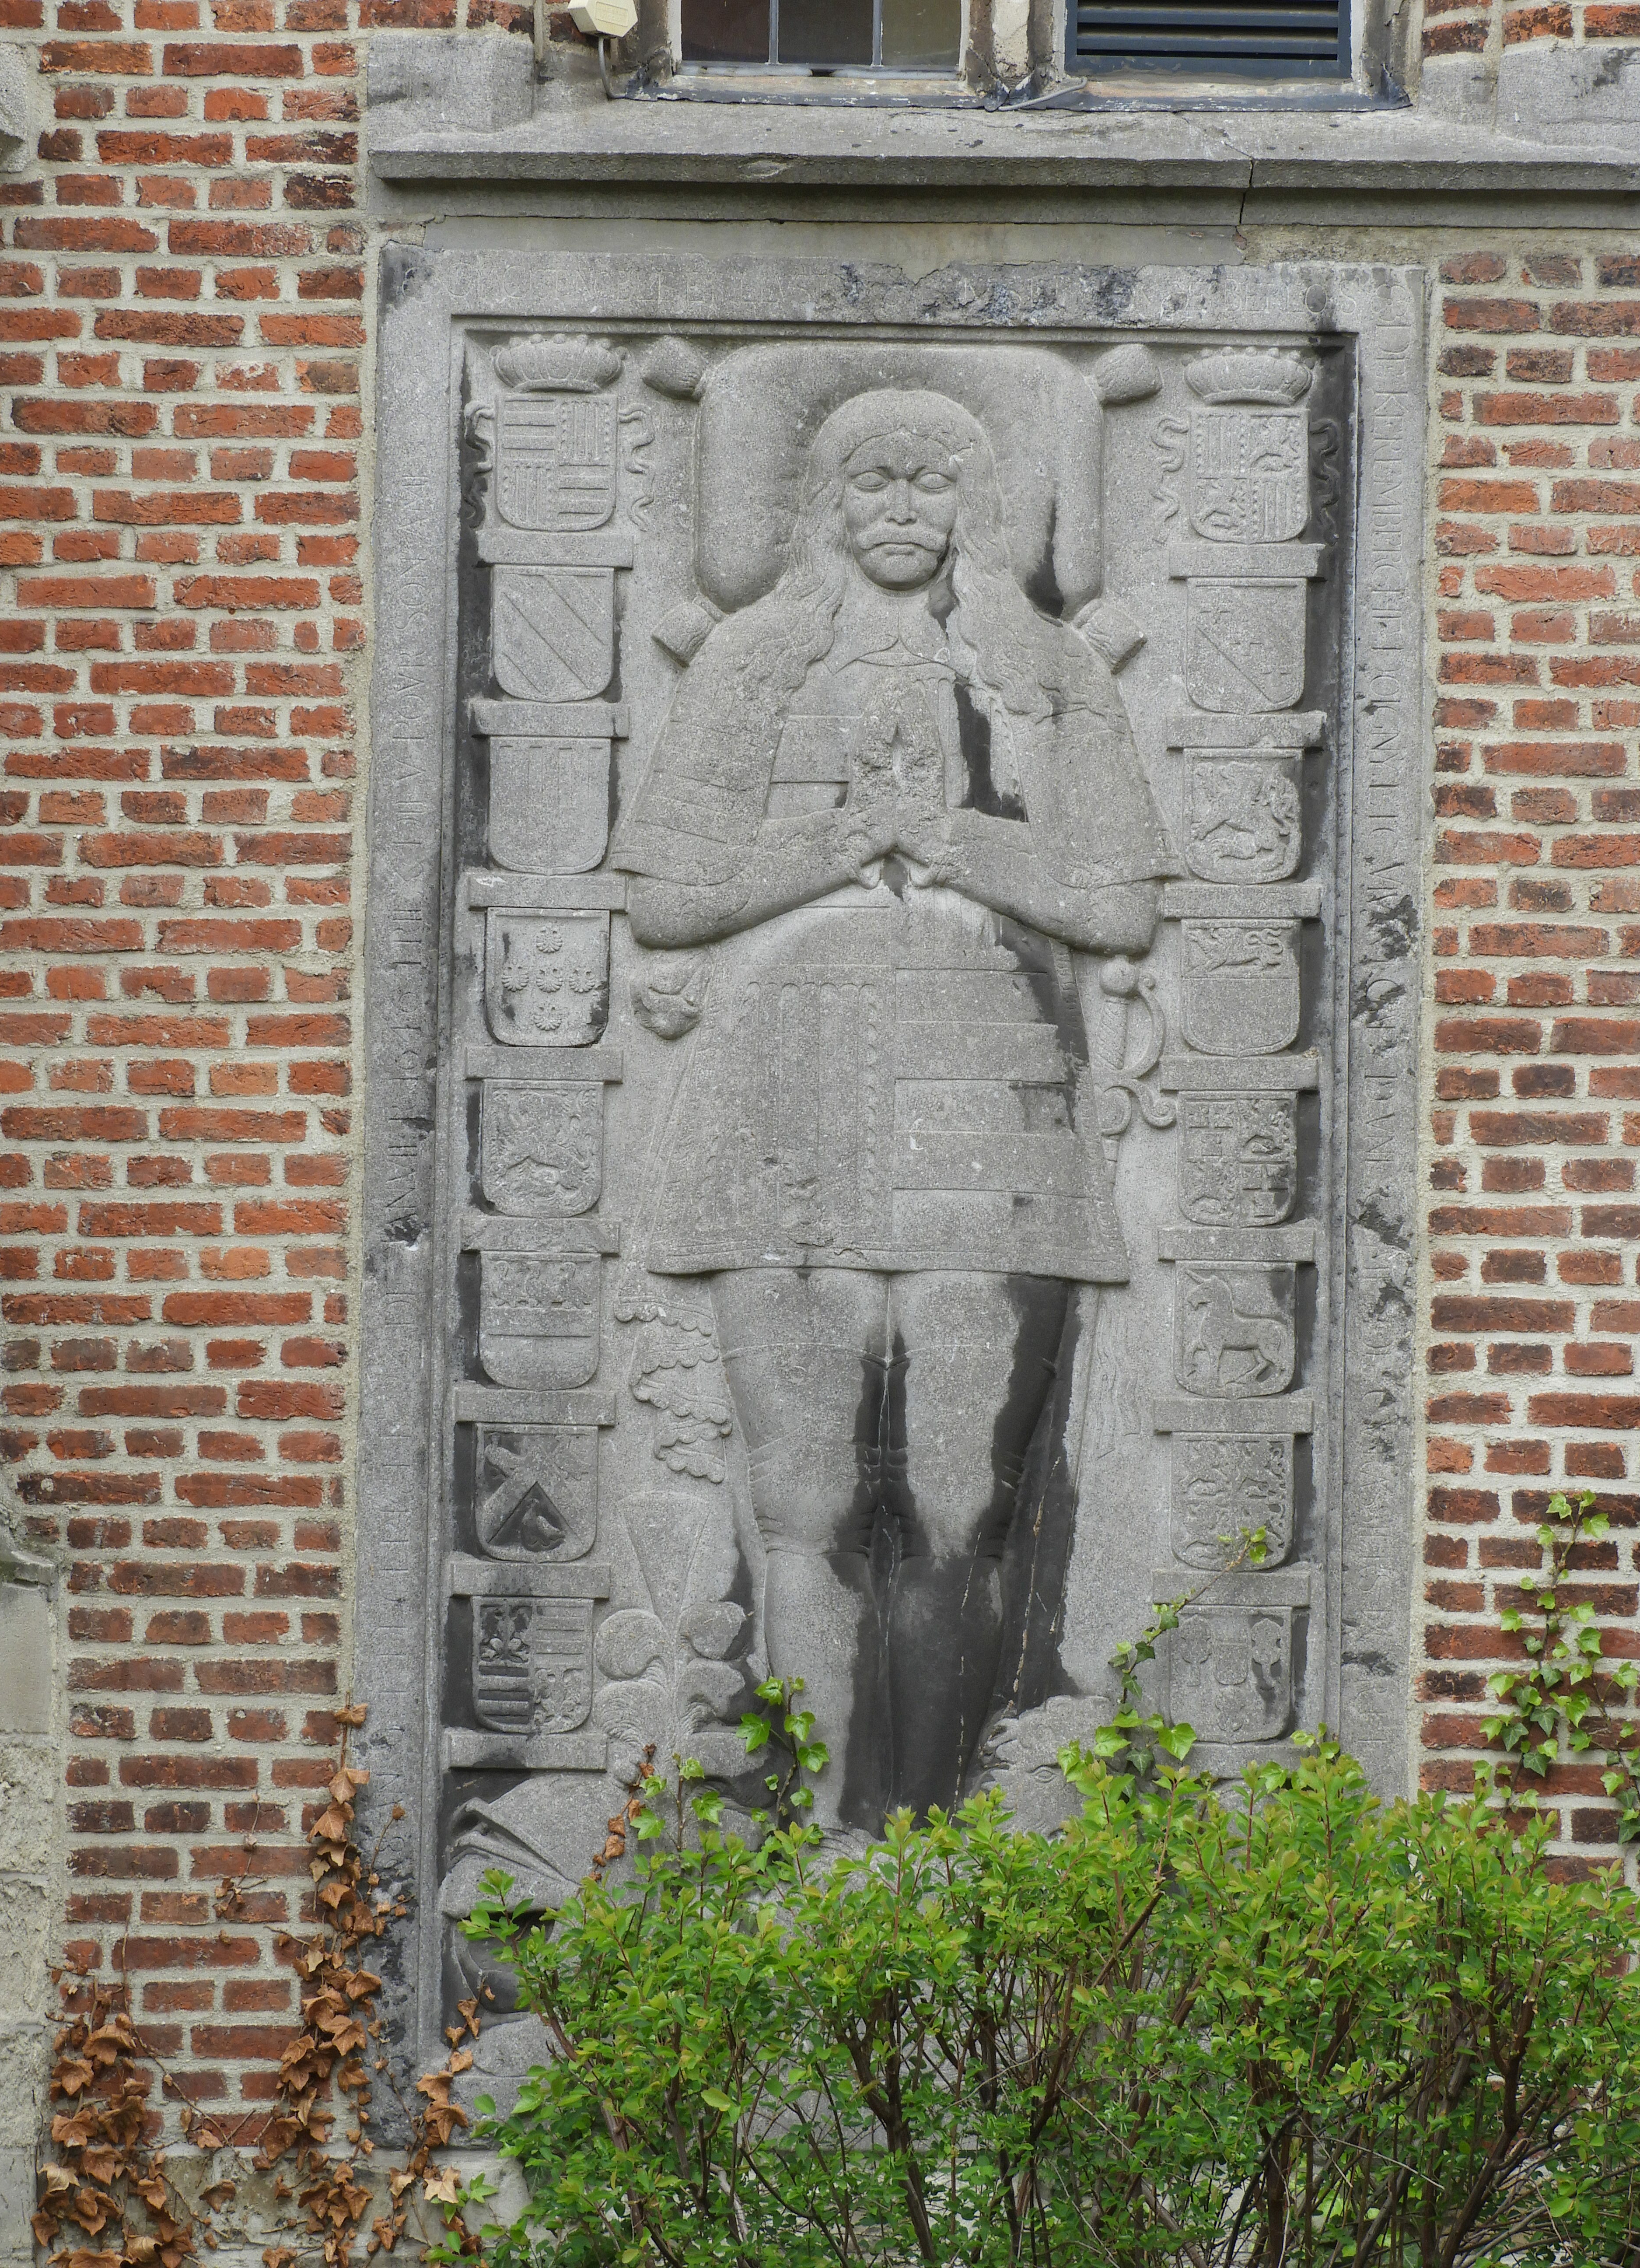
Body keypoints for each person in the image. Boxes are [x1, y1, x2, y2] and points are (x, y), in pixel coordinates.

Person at [612, 387, 1172, 1831]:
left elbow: (1119, 903)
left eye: (934, 482)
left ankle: (924, 1836)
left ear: (977, 506)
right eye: (874, 481)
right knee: (800, 1503)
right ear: (828, 504)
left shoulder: (1043, 666)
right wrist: (843, 836)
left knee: (961, 1503)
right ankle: (818, 1834)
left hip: (990, 1100)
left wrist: (952, 838)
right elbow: (667, 897)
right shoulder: (756, 659)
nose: (905, 507)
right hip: (782, 1094)